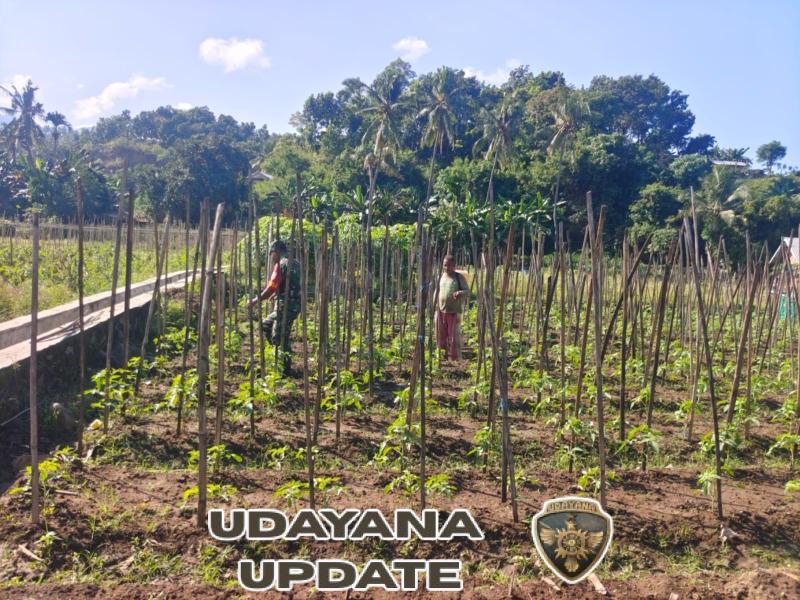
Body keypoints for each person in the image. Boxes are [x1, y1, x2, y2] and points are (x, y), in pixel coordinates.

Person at [247, 240, 301, 375]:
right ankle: (277, 356)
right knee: (267, 325)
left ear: (276, 251)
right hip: (294, 305)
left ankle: (284, 370)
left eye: (271, 253)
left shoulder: (281, 264)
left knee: (280, 337)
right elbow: (292, 284)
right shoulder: (295, 263)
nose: (271, 257)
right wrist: (278, 294)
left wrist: (255, 301)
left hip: (285, 307)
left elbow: (271, 287)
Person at [436, 254, 469, 361]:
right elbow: (437, 291)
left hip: (454, 311)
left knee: (454, 336)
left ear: (454, 266)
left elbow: (467, 291)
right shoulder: (441, 277)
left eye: (449, 265)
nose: (446, 268)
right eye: (445, 265)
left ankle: (456, 358)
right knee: (440, 335)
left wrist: (460, 293)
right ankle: (442, 356)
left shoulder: (458, 277)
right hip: (441, 310)